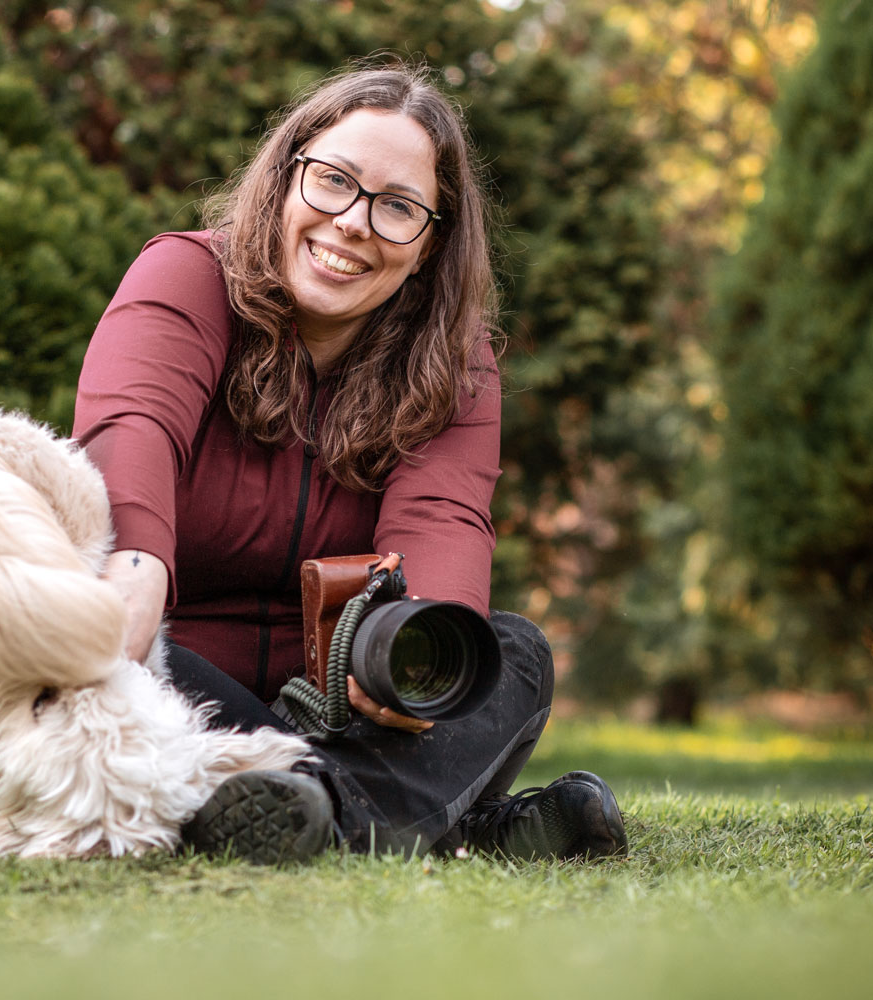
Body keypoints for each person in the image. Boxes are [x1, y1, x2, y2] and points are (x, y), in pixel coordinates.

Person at [72, 63, 628, 864]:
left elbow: (444, 519)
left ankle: (308, 811)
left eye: (398, 206)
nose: (354, 223)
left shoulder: (455, 361)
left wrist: (411, 652)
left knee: (507, 655)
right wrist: (134, 564)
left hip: (344, 703)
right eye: (334, 181)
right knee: (147, 664)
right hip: (173, 668)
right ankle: (448, 826)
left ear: (431, 242)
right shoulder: (187, 275)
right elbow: (133, 427)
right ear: (286, 177)